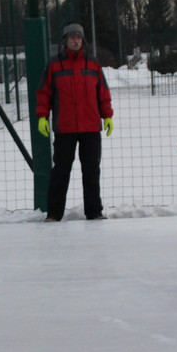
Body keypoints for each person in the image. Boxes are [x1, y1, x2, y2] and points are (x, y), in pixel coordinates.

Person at [36, 22, 114, 222]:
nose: (75, 41)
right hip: (65, 127)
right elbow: (44, 93)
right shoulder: (54, 65)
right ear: (65, 40)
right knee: (61, 171)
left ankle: (94, 211)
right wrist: (42, 116)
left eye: (79, 37)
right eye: (72, 37)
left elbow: (103, 93)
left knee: (91, 170)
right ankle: (54, 213)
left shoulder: (93, 64)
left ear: (83, 41)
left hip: (90, 127)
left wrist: (107, 116)